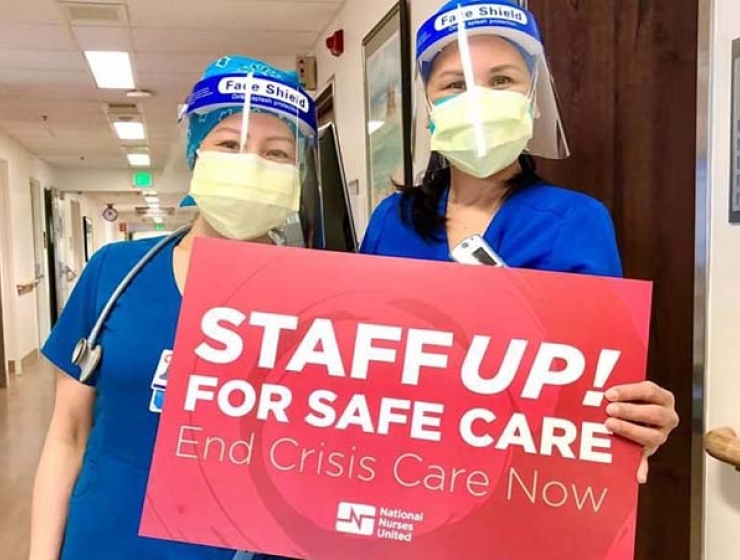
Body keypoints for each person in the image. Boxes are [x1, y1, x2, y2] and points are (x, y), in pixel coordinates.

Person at [361, 0, 679, 481]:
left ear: (533, 98)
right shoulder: (392, 219)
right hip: (395, 477)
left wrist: (639, 418)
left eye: (502, 80)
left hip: (515, 486)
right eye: (454, 84)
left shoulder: (577, 221)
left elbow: (599, 382)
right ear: (429, 107)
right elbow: (353, 356)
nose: (478, 97)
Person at [29, 55, 314, 560]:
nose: (251, 165)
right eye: (229, 144)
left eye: (277, 152)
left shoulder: (324, 297)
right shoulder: (117, 273)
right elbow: (67, 434)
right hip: (111, 542)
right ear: (195, 152)